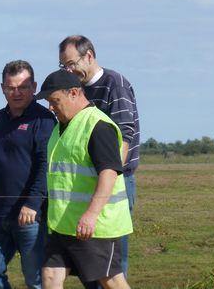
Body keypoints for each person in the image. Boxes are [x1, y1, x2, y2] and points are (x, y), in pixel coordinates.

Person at [35, 70, 133, 289]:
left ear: (74, 93)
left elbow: (109, 173)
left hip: (95, 226)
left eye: (55, 101)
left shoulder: (98, 126)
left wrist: (91, 214)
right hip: (63, 224)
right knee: (50, 276)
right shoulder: (60, 127)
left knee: (112, 281)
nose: (51, 107)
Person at [0, 60, 56, 289]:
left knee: (36, 281)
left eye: (23, 87)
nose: (16, 93)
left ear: (34, 87)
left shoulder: (44, 120)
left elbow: (45, 165)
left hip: (30, 218)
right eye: (11, 87)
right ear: (2, 88)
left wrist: (33, 204)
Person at [58, 35, 140, 278]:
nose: (69, 70)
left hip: (114, 183)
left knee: (111, 261)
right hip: (85, 183)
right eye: (63, 66)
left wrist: (109, 179)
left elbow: (124, 135)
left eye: (72, 64)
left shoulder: (115, 83)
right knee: (91, 257)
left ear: (90, 56)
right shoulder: (77, 88)